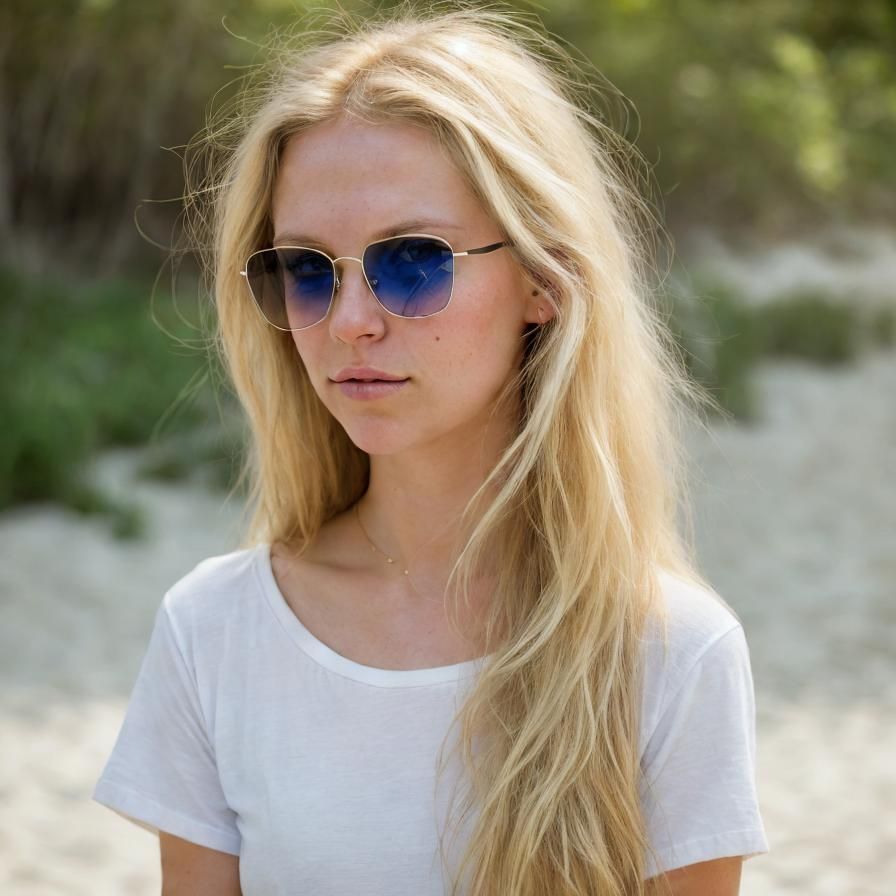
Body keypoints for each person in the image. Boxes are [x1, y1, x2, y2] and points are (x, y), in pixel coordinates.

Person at [92, 4, 769, 895]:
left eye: (412, 260)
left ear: (543, 280)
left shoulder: (670, 654)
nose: (349, 322)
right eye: (305, 268)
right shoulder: (214, 634)